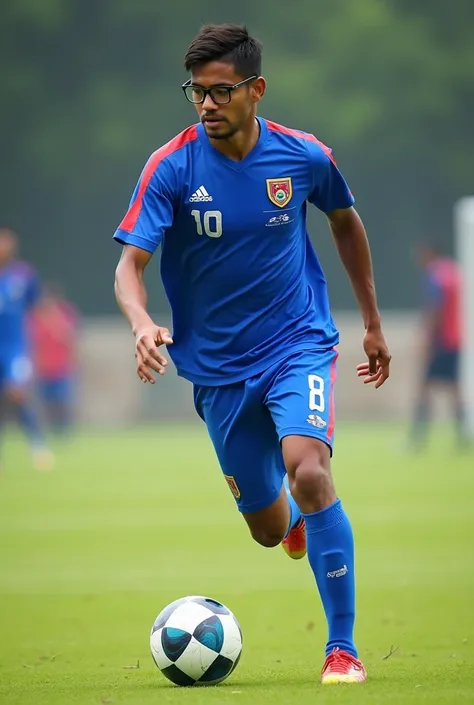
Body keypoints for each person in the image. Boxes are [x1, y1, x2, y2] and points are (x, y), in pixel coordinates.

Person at [113, 24, 391, 684]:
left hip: (298, 342)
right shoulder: (172, 166)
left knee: (311, 469)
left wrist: (373, 322)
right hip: (216, 370)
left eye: (219, 92)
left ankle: (342, 648)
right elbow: (130, 265)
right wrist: (141, 321)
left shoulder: (304, 157)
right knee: (269, 528)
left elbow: (345, 221)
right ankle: (293, 520)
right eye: (196, 94)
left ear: (254, 90)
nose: (206, 106)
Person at [0, 228, 53, 471]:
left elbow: (38, 306)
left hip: (15, 348)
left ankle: (38, 446)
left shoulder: (23, 275)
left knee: (18, 393)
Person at [409, 242, 467, 448]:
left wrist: (427, 339)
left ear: (428, 253)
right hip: (455, 339)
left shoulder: (435, 276)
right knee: (455, 389)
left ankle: (417, 438)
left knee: (424, 389)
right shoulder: (453, 272)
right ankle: (464, 436)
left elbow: (435, 309)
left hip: (440, 341)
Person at [28, 283, 80, 436]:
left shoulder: (65, 314)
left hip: (62, 368)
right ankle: (48, 431)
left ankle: (64, 432)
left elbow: (71, 338)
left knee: (62, 401)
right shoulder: (35, 317)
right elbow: (32, 342)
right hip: (43, 369)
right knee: (45, 402)